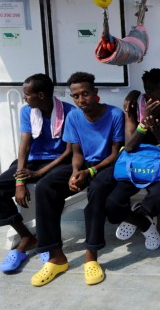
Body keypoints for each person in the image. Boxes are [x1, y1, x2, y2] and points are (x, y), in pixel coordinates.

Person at [31, 72, 124, 287]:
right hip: (83, 164)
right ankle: (55, 256)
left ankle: (90, 255)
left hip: (107, 166)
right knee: (45, 186)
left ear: (95, 93)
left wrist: (91, 172)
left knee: (98, 189)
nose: (81, 100)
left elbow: (115, 153)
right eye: (76, 96)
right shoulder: (73, 117)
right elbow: (76, 153)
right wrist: (74, 172)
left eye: (85, 94)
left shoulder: (114, 115)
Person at [0, 73, 74, 273]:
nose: (24, 97)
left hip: (57, 162)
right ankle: (27, 236)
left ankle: (48, 242)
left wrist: (39, 172)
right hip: (32, 161)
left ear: (41, 95)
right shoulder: (27, 112)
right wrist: (20, 182)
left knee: (45, 190)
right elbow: (24, 146)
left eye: (27, 93)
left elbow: (69, 152)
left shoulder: (69, 112)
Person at [107, 68, 160, 250]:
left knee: (158, 200)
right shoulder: (134, 106)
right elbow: (130, 147)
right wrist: (143, 125)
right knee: (112, 204)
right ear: (149, 94)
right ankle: (145, 225)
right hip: (135, 164)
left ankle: (140, 215)